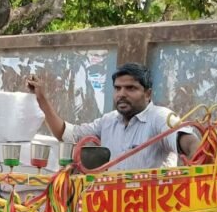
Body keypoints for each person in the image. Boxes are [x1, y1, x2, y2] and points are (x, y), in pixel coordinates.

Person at [27, 62, 199, 169]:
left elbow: (190, 143)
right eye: (117, 88)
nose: (121, 94)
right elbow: (67, 135)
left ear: (148, 94)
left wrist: (197, 159)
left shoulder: (160, 117)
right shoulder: (108, 121)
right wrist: (41, 99)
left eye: (131, 88)